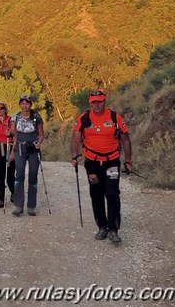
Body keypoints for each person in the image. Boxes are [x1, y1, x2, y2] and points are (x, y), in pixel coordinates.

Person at [70, 90, 133, 244]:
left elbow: (125, 140)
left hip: (111, 162)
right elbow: (76, 139)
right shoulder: (84, 118)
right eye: (94, 102)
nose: (97, 105)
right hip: (92, 163)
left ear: (105, 101)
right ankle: (102, 227)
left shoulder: (114, 117)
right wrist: (75, 155)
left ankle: (113, 229)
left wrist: (128, 160)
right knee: (96, 195)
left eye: (100, 101)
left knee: (112, 194)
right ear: (90, 103)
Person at [8, 95, 44, 217]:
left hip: (33, 149)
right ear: (20, 104)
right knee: (19, 175)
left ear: (31, 104)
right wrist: (10, 134)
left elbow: (41, 134)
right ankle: (18, 205)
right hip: (19, 149)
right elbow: (14, 134)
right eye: (22, 103)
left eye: (27, 103)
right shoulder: (15, 117)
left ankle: (31, 206)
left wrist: (39, 144)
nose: (25, 105)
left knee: (33, 175)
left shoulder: (36, 117)